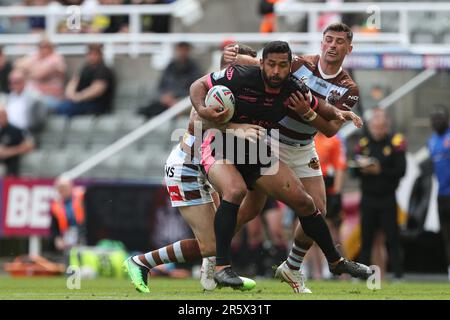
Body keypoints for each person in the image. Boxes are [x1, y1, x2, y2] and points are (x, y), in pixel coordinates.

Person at [124, 41, 369, 293]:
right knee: (216, 233)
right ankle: (151, 262)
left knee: (304, 203)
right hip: (190, 164)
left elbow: (319, 107)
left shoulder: (289, 87)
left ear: (288, 67)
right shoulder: (227, 86)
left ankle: (334, 261)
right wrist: (233, 128)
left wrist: (339, 113)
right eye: (270, 65)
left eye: (282, 65)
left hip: (245, 153)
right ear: (258, 66)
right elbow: (195, 124)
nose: (275, 71)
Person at [222, 22, 360, 293]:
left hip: (304, 147)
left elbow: (330, 130)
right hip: (272, 140)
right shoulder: (299, 64)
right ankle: (214, 257)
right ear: (321, 43)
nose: (333, 45)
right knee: (251, 209)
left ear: (349, 48)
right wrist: (233, 56)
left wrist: (307, 113)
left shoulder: (349, 87)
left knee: (318, 208)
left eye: (339, 41)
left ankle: (292, 267)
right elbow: (261, 64)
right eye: (329, 39)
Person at [124, 44, 261, 293]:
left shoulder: (248, 95)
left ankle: (211, 277)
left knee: (225, 227)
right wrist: (235, 129)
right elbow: (196, 123)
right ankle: (141, 261)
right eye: (245, 68)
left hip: (206, 169)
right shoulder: (218, 91)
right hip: (186, 168)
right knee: (210, 245)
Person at [353, 107, 406, 279]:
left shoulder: (395, 142)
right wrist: (363, 169)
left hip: (387, 198)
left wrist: (379, 171)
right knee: (365, 238)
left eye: (381, 127)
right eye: (375, 127)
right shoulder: (363, 143)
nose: (377, 131)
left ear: (387, 126)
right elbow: (353, 170)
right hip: (368, 198)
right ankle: (362, 276)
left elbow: (401, 170)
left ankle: (398, 275)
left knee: (392, 238)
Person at [303, 131, 347, 280]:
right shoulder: (308, 137)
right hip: (308, 184)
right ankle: (317, 273)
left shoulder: (334, 139)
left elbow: (340, 166)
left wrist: (337, 193)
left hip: (328, 186)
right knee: (310, 231)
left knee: (334, 233)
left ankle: (343, 272)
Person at [137, 42, 202, 119]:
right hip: (166, 102)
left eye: (184, 50)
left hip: (181, 102)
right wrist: (164, 97)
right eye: (180, 50)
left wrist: (175, 98)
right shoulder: (170, 66)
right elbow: (160, 87)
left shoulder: (194, 68)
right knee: (146, 110)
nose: (182, 53)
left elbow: (195, 89)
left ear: (188, 51)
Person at [55, 44, 115, 117]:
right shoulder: (85, 69)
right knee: (61, 107)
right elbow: (74, 82)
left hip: (96, 105)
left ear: (100, 55)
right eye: (90, 54)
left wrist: (78, 97)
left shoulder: (103, 70)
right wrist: (71, 95)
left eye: (95, 54)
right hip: (80, 102)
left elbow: (97, 90)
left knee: (66, 108)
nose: (92, 57)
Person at [428, 105, 450, 281]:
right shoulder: (432, 141)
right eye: (434, 118)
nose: (437, 121)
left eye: (440, 117)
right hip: (442, 195)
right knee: (446, 235)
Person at [15, 38, 66, 110]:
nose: (43, 50)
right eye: (41, 47)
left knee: (31, 104)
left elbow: (39, 75)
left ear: (51, 48)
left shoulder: (56, 58)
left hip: (50, 96)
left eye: (46, 47)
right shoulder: (35, 56)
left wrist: (28, 72)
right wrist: (30, 71)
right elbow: (18, 65)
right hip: (32, 94)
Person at [49, 177, 86, 253]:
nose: (62, 190)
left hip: (83, 235)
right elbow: (54, 227)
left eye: (65, 187)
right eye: (60, 188)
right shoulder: (55, 205)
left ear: (71, 187)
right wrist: (57, 239)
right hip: (67, 238)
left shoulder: (82, 198)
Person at [5, 69, 47, 133]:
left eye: (16, 82)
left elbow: (39, 120)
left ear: (23, 82)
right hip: (9, 132)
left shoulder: (35, 98)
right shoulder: (9, 97)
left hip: (28, 133)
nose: (13, 85)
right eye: (10, 82)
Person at [0, 106, 35, 177]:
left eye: (2, 115)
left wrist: (10, 152)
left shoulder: (16, 130)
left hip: (13, 164)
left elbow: (30, 144)